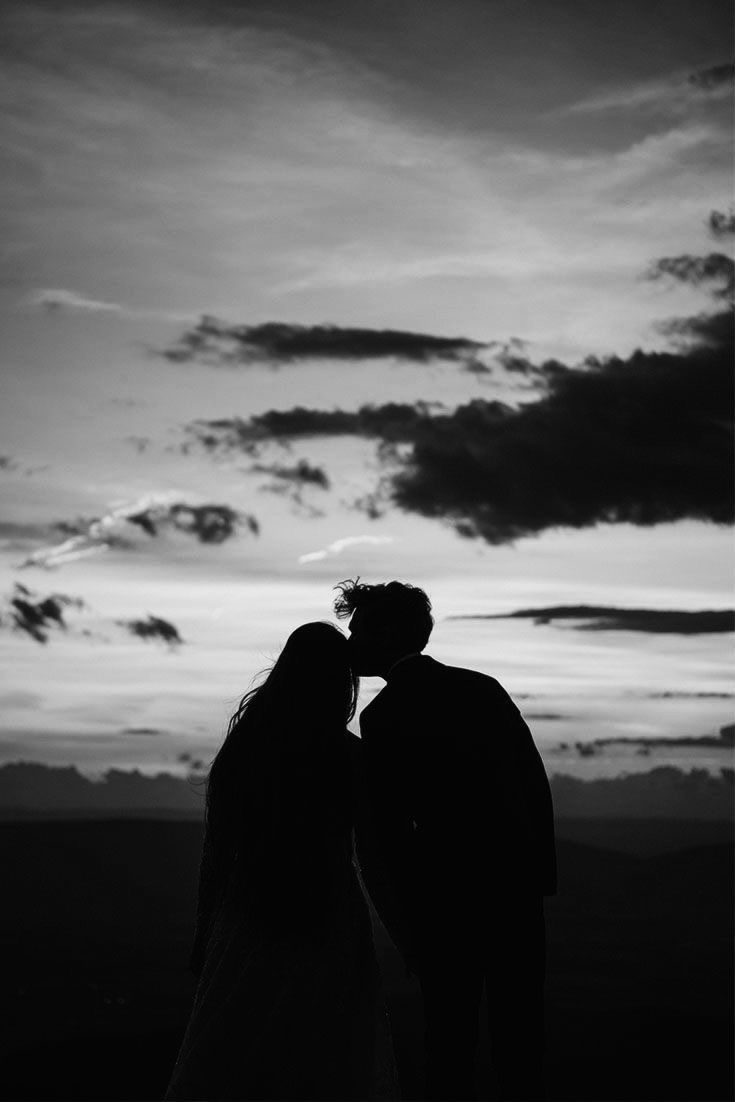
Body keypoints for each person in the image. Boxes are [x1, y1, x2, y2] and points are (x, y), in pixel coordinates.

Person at [336, 580, 557, 1101]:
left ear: (389, 632)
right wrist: (538, 879)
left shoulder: (383, 716)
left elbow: (389, 831)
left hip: (444, 902)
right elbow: (533, 783)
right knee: (520, 1037)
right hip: (515, 892)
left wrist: (406, 919)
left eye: (360, 629)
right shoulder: (483, 688)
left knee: (449, 1043)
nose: (351, 641)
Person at [164, 621, 398, 1101]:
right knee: (324, 1058)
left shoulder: (247, 746)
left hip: (247, 915)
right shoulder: (350, 755)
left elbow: (218, 851)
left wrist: (204, 933)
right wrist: (404, 931)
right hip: (328, 919)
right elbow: (373, 855)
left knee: (238, 1053)